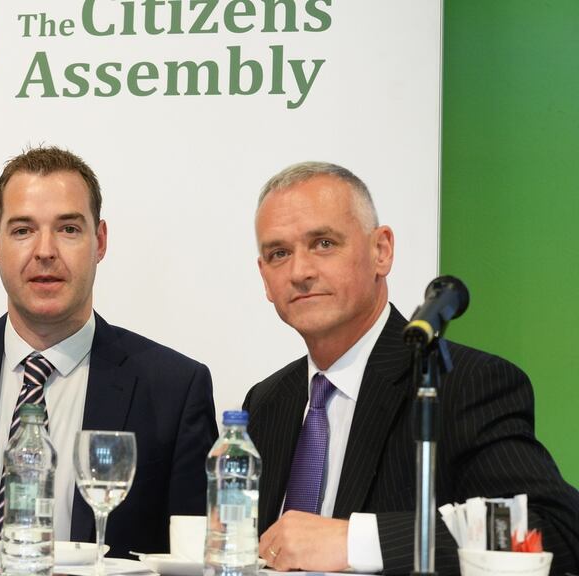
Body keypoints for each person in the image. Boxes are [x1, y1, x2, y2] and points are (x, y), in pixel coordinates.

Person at [245, 161, 579, 574]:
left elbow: (556, 532)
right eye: (279, 254)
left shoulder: (463, 384)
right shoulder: (266, 401)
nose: (300, 272)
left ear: (380, 250)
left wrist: (355, 541)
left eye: (324, 243)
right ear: (264, 277)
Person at [0, 146, 217, 555]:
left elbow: (196, 556)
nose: (44, 251)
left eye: (68, 229)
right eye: (23, 230)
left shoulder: (174, 389)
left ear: (100, 241)